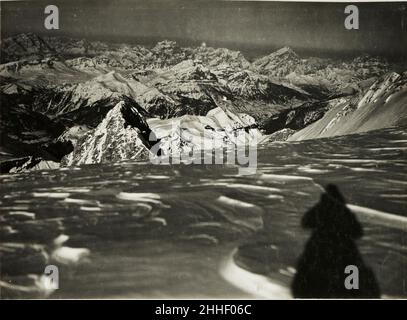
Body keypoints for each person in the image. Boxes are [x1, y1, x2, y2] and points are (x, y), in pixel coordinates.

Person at [292, 184, 381, 298]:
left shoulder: (319, 208)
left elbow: (305, 222)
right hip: (344, 248)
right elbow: (357, 232)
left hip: (319, 246)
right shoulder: (344, 211)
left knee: (309, 269)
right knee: (352, 272)